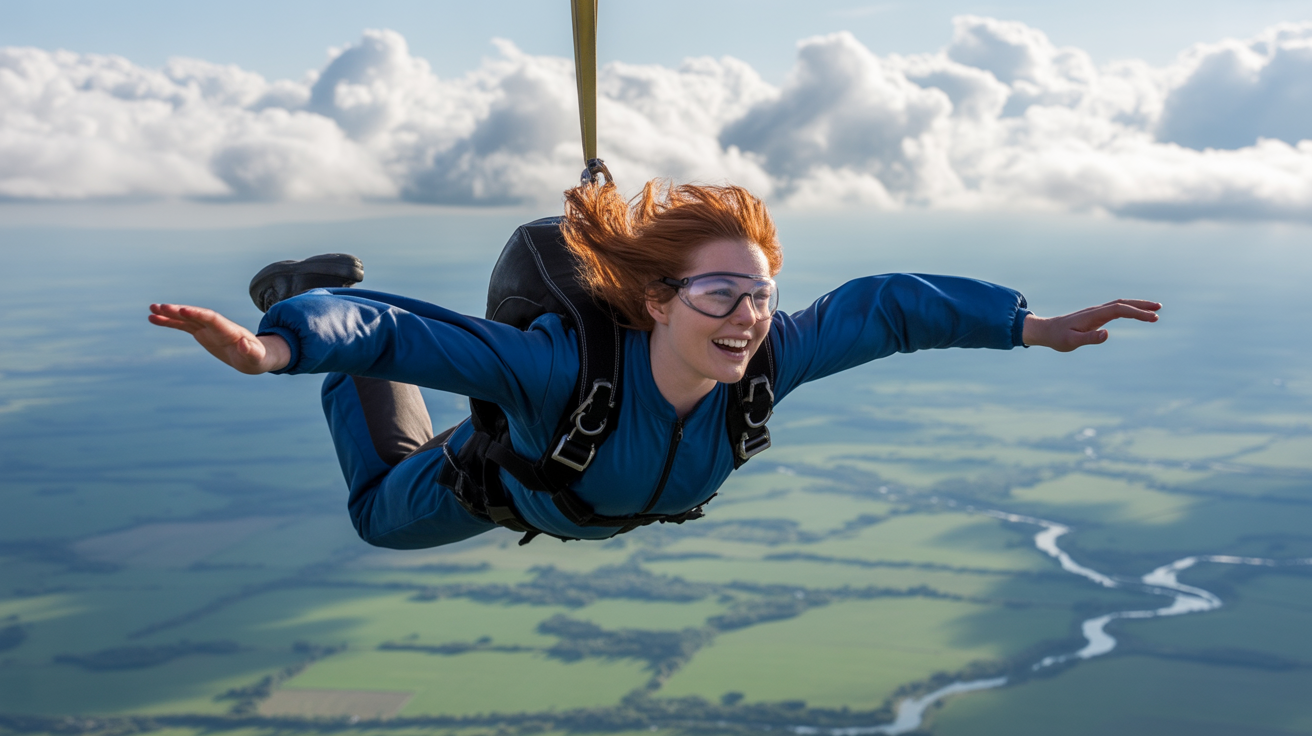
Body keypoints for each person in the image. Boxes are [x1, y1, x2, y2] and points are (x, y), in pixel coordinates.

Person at [148, 181, 1161, 549]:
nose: (747, 318)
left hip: (581, 483)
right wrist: (277, 341)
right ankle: (312, 274)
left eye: (760, 293)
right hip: (506, 483)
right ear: (656, 302)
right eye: (720, 295)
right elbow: (388, 334)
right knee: (379, 516)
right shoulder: (554, 369)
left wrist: (1028, 325)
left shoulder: (771, 356)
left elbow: (882, 309)